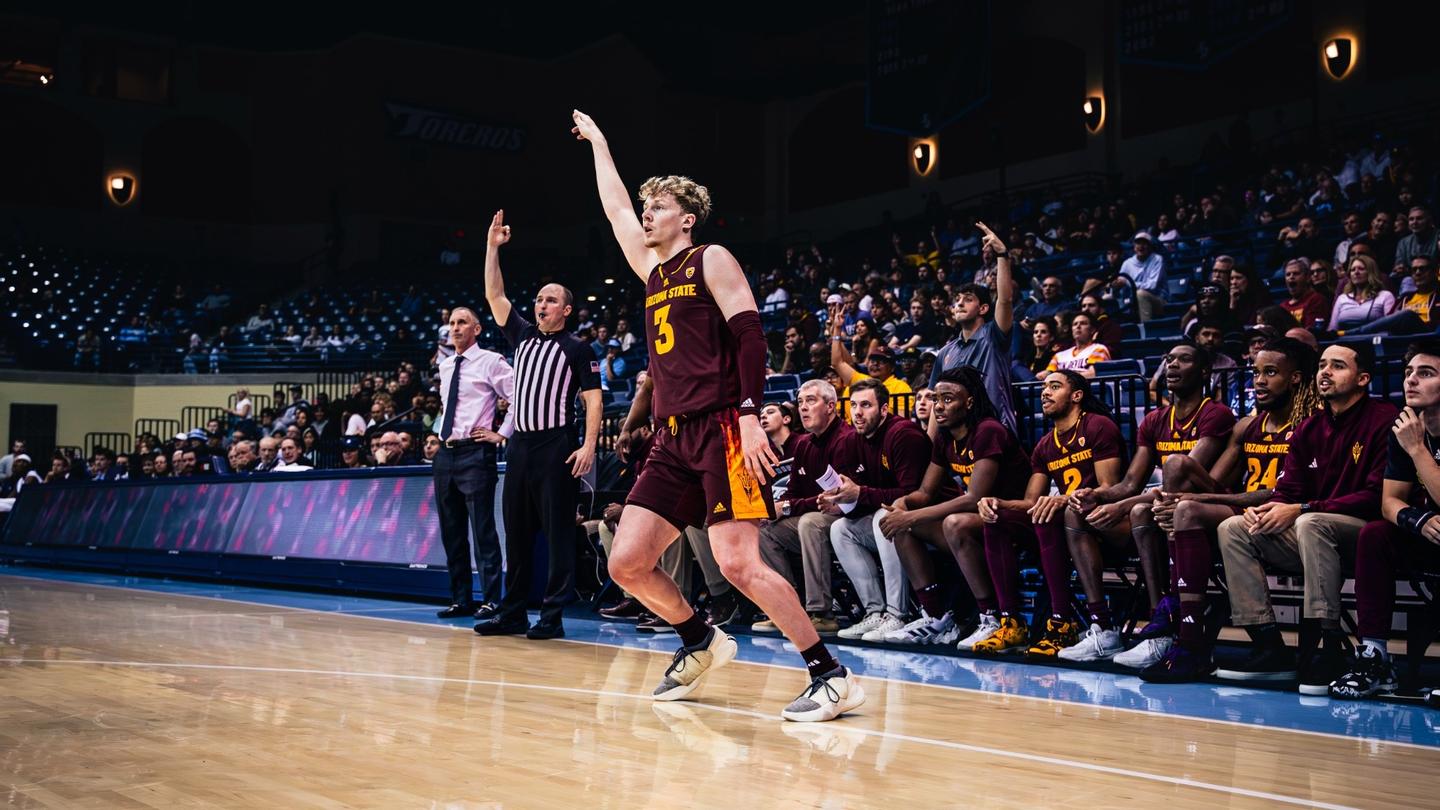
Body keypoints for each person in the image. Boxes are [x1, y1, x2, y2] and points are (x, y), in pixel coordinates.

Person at [573, 109, 860, 722]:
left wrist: (752, 415)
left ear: (687, 217)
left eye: (660, 205)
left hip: (725, 427)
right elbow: (615, 209)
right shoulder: (652, 271)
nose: (647, 213)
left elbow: (751, 337)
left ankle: (829, 674)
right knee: (626, 562)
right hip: (671, 437)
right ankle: (700, 638)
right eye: (647, 205)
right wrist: (600, 142)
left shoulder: (711, 258)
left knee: (737, 562)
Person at [1215, 342, 1398, 694]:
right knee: (1235, 527)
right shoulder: (1310, 427)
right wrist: (1267, 509)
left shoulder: (1384, 420)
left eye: (1338, 366)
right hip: (1312, 531)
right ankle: (1269, 644)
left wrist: (1301, 508)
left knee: (1310, 522)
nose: (1325, 372)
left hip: (1363, 533)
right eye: (1322, 366)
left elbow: (1377, 498)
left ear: (1363, 379)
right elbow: (1289, 490)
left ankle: (1327, 644)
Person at [1140, 338, 1320, 682]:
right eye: (1256, 373)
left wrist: (1192, 502)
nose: (1259, 381)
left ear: (1295, 379)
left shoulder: (1310, 425)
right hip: (1247, 517)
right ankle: (1188, 636)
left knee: (1190, 509)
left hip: (1289, 520)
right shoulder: (1246, 427)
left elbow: (1286, 493)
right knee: (1184, 501)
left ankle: (1186, 628)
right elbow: (1216, 485)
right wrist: (1175, 499)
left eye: (1271, 373)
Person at [475, 210, 603, 640]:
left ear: (566, 309)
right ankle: (512, 613)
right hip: (521, 447)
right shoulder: (522, 335)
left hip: (556, 445)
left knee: (558, 535)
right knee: (517, 532)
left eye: (550, 300)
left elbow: (593, 398)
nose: (540, 303)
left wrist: (587, 446)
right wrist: (493, 247)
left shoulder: (578, 348)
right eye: (539, 299)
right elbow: (495, 294)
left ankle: (551, 617)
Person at [1064, 343, 1235, 662]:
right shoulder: (1155, 420)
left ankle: (1165, 620)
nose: (1172, 365)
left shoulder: (1216, 414)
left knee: (1147, 501)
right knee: (1078, 512)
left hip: (1208, 513)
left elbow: (1180, 479)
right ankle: (1105, 625)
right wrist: (1096, 495)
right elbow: (1130, 484)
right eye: (1168, 359)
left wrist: (1122, 506)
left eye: (1184, 360)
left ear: (1204, 372)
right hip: (1167, 514)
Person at [876, 367, 1031, 645]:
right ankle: (936, 616)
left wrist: (910, 516)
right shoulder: (945, 438)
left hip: (1013, 520)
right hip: (981, 522)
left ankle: (990, 617)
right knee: (901, 526)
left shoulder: (988, 431)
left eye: (948, 399)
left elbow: (974, 497)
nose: (939, 406)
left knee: (953, 522)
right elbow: (924, 492)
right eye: (936, 399)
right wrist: (904, 504)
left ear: (969, 402)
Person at [973, 370, 1125, 654]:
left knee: (1053, 512)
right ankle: (1010, 622)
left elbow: (1111, 487)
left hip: (1105, 522)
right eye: (1043, 387)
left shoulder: (1097, 426)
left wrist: (1063, 500)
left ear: (1077, 396)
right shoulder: (1045, 445)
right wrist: (997, 503)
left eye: (1054, 387)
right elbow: (1032, 500)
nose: (1044, 393)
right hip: (1064, 527)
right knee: (998, 518)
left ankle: (1062, 625)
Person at [1335, 340, 1440, 700]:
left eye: (1425, 374)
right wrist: (1418, 520)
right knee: (1376, 535)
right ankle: (1375, 656)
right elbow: (1389, 503)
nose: (1411, 380)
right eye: (1409, 372)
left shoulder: (1411, 437)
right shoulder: (1406, 427)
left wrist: (1417, 449)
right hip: (1431, 535)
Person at [824, 377, 940, 642]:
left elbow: (912, 496)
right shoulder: (852, 440)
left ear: (885, 410)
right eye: (853, 405)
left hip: (927, 517)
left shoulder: (903, 435)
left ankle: (897, 614)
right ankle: (873, 612)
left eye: (866, 405)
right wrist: (840, 499)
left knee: (884, 517)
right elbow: (859, 495)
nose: (857, 412)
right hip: (886, 518)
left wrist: (861, 494)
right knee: (840, 529)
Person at [758, 380, 863, 635]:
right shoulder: (804, 444)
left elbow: (837, 497)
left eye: (811, 401)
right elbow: (794, 494)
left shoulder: (847, 438)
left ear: (830, 406)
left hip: (849, 517)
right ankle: (786, 607)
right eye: (800, 401)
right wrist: (784, 506)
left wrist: (791, 506)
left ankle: (821, 613)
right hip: (817, 515)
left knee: (810, 522)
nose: (803, 407)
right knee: (764, 528)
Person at [432, 306, 516, 621]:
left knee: (483, 531)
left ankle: (492, 600)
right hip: (445, 453)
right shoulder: (445, 366)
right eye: (451, 323)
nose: (455, 328)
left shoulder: (491, 361)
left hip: (475, 453)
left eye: (462, 322)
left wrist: (502, 434)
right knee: (451, 532)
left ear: (476, 329)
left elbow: (518, 396)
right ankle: (461, 599)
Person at [929, 223, 1018, 435]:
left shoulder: (994, 336)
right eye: (957, 300)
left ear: (984, 308)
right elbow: (936, 402)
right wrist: (929, 446)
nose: (959, 303)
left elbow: (1005, 299)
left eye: (968, 300)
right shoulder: (945, 353)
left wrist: (1002, 256)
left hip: (995, 430)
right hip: (957, 437)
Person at [1348, 255, 1439, 336]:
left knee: (1407, 314)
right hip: (1402, 339)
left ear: (1434, 272)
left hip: (1428, 336)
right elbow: (1389, 321)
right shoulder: (1405, 298)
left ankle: (1352, 333)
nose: (1418, 273)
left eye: (1422, 269)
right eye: (1414, 270)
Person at [1329, 254, 1397, 333]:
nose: (1356, 272)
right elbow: (1332, 329)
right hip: (1344, 342)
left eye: (1361, 269)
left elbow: (1392, 327)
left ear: (1371, 272)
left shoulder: (1385, 296)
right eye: (1353, 270)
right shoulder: (1342, 298)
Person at [1043, 312, 1111, 378]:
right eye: (1075, 324)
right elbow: (1047, 375)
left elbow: (1092, 374)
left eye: (1083, 323)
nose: (1078, 326)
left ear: (1092, 330)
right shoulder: (1059, 356)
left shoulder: (1098, 349)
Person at [1120, 231, 1167, 322]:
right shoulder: (1127, 263)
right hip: (1132, 301)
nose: (1141, 246)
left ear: (1150, 246)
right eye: (1138, 243)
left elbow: (1152, 286)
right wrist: (1115, 286)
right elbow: (1120, 281)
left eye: (1144, 243)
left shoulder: (1157, 259)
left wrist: (1127, 282)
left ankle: (1147, 329)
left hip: (1159, 300)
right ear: (1134, 246)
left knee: (1140, 294)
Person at [1280, 259, 1330, 328]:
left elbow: (1311, 332)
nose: (1291, 277)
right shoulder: (1282, 307)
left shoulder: (1316, 300)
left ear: (1307, 278)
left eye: (1296, 273)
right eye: (1288, 274)